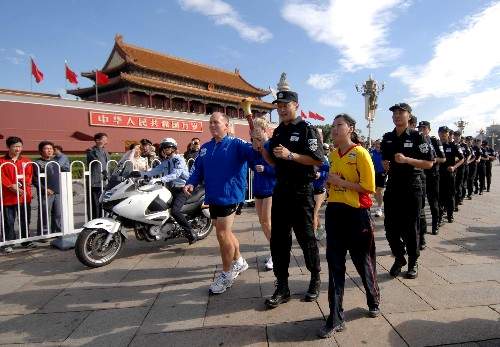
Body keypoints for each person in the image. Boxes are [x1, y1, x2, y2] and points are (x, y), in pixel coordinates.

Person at [258, 90, 324, 308]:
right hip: (281, 191)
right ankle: (282, 286)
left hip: (302, 191)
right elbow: (275, 163)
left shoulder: (308, 130)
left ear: (296, 105)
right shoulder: (277, 132)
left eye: (285, 105)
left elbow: (317, 159)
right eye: (279, 105)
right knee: (278, 241)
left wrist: (291, 155)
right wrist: (265, 152)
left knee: (306, 238)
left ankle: (315, 279)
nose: (282, 109)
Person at [318, 113, 380, 339]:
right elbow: (333, 182)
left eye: (339, 125)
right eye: (332, 126)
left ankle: (373, 298)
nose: (334, 129)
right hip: (335, 213)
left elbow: (369, 188)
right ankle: (335, 317)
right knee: (335, 267)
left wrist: (340, 182)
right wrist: (329, 184)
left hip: (358, 215)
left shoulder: (360, 153)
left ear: (351, 128)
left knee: (363, 262)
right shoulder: (333, 155)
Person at [184, 112, 253, 294]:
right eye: (210, 122)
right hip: (213, 195)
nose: (212, 125)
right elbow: (197, 169)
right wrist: (191, 182)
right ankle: (239, 261)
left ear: (226, 125)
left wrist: (261, 145)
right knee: (225, 232)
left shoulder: (237, 144)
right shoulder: (205, 148)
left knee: (222, 234)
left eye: (216, 122)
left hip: (230, 195)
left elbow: (256, 155)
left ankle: (226, 273)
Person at [381, 103, 434, 279]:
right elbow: (385, 160)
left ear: (409, 116)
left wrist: (407, 160)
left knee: (411, 227)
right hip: (393, 186)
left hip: (412, 186)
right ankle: (399, 257)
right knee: (390, 228)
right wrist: (385, 164)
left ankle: (412, 261)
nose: (397, 115)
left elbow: (429, 163)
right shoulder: (388, 137)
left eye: (401, 112)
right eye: (394, 113)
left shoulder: (418, 136)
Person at [144, 138, 197, 244]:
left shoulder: (179, 159)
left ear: (173, 148)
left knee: (175, 211)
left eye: (169, 147)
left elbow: (175, 174)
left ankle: (190, 232)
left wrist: (160, 179)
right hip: (170, 189)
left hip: (182, 188)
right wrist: (140, 174)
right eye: (165, 148)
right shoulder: (167, 161)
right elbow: (156, 170)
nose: (166, 149)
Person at [249, 117, 276, 270]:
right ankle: (275, 248)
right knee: (262, 222)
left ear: (265, 130)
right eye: (254, 132)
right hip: (258, 188)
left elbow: (280, 169)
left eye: (258, 130)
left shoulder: (271, 145)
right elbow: (252, 165)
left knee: (267, 221)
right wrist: (255, 149)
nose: (255, 134)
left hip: (271, 189)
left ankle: (275, 252)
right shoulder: (255, 146)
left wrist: (266, 169)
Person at [0, 136, 33, 253]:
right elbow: (1, 177)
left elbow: (29, 176)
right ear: (8, 147)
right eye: (15, 147)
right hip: (8, 197)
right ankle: (9, 242)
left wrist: (23, 186)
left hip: (24, 196)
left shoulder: (26, 161)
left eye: (19, 146)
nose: (18, 149)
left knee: (25, 219)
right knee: (8, 221)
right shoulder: (1, 161)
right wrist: (11, 186)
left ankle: (26, 240)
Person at [417, 121, 445, 235]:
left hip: (433, 175)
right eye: (420, 128)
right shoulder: (416, 140)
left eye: (424, 128)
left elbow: (443, 159)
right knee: (421, 204)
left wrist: (434, 160)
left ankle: (435, 224)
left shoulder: (435, 141)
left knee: (433, 202)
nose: (422, 130)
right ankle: (421, 230)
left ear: (429, 129)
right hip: (420, 176)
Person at [33, 141, 63, 235]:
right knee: (44, 214)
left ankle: (57, 232)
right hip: (45, 192)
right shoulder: (37, 163)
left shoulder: (55, 162)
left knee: (57, 214)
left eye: (51, 149)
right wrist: (44, 189)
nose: (49, 150)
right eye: (46, 148)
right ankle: (43, 234)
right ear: (41, 151)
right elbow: (34, 179)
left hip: (57, 191)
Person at [438, 126, 464, 224]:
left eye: (445, 132)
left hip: (449, 175)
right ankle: (439, 218)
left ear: (448, 134)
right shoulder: (436, 145)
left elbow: (462, 159)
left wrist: (454, 167)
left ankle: (450, 215)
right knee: (439, 197)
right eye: (441, 132)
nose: (443, 134)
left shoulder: (454, 146)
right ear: (438, 134)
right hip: (438, 175)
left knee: (450, 196)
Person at [86, 132, 110, 219]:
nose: (106, 140)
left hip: (105, 182)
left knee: (104, 204)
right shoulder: (91, 151)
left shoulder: (105, 151)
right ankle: (94, 221)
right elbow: (97, 162)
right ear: (97, 140)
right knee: (95, 204)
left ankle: (103, 220)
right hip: (95, 182)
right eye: (104, 138)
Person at [313, 141, 329, 240]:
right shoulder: (308, 157)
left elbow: (329, 171)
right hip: (309, 188)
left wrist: (320, 175)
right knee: (313, 212)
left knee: (313, 214)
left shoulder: (323, 159)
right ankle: (320, 228)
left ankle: (311, 236)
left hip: (319, 189)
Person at [369, 139, 386, 217]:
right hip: (373, 174)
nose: (377, 145)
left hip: (382, 173)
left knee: (379, 191)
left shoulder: (385, 153)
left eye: (379, 144)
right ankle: (381, 202)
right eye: (376, 144)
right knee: (374, 193)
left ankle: (379, 209)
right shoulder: (371, 153)